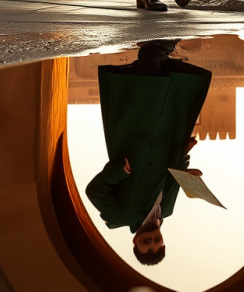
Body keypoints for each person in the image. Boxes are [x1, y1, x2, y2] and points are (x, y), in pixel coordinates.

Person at [85, 40, 212, 265]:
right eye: (156, 241)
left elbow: (95, 191)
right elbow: (172, 177)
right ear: (163, 241)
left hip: (134, 143)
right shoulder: (168, 211)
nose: (151, 238)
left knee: (145, 93)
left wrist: (118, 171)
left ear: (135, 242)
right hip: (165, 140)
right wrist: (185, 154)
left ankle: (161, 45)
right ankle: (155, 47)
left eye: (146, 242)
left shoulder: (118, 218)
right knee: (163, 91)